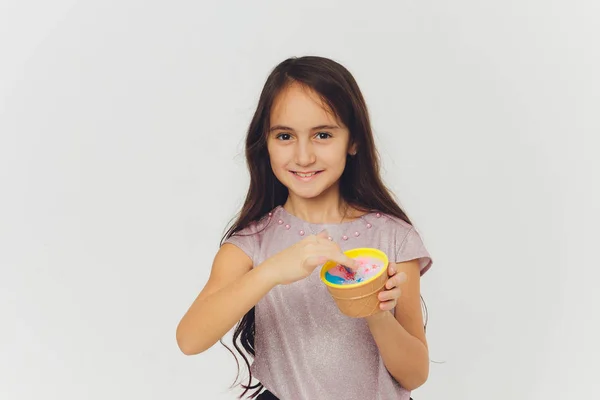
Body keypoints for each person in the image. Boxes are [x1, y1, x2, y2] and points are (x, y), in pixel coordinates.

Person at [176, 55, 433, 400]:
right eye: (284, 136)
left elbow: (415, 375)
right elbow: (190, 339)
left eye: (322, 135)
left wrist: (375, 312)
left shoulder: (394, 238)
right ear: (265, 144)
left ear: (353, 141)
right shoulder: (251, 244)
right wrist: (270, 272)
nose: (303, 156)